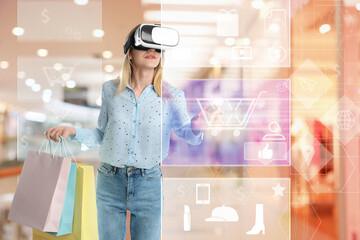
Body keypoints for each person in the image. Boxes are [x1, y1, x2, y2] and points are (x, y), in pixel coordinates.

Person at [44, 24, 204, 240]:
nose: (152, 51)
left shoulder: (172, 96)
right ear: (130, 53)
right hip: (110, 180)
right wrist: (73, 131)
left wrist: (198, 124)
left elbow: (188, 134)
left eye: (157, 49)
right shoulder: (110, 90)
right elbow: (102, 134)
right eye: (144, 45)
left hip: (149, 182)